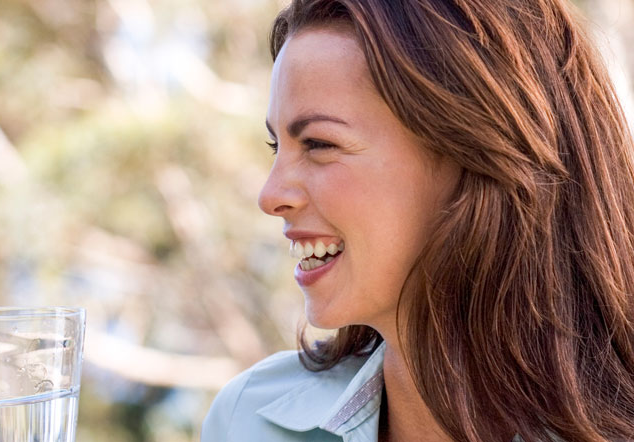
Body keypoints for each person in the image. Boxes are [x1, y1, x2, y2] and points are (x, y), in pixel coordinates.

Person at [201, 0, 634, 441]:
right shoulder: (247, 420)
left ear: (473, 153)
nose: (270, 196)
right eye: (277, 147)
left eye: (318, 144)